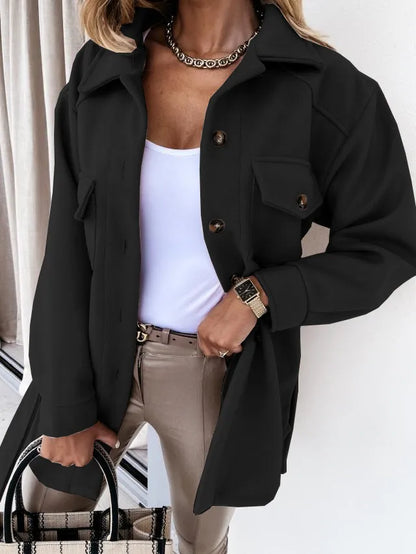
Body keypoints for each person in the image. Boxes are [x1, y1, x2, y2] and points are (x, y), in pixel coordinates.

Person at [12, 1, 416, 553]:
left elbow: (386, 245)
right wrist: (63, 403)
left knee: (200, 544)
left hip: (213, 375)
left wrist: (260, 295)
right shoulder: (104, 66)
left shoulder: (327, 90)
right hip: (94, 352)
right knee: (45, 525)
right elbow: (65, 245)